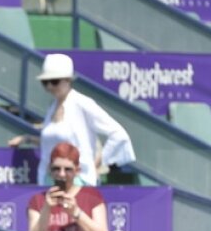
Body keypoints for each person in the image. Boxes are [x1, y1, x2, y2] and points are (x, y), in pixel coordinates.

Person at [8, 53, 135, 187]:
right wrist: (27, 139)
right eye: (45, 82)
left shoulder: (83, 103)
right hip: (48, 180)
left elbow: (119, 134)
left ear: (68, 80)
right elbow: (53, 143)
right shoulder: (52, 106)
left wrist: (96, 163)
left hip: (78, 182)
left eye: (55, 81)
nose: (50, 86)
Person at [27, 142, 109, 231]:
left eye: (68, 169)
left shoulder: (92, 196)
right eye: (56, 168)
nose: (62, 174)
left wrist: (76, 212)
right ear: (49, 169)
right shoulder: (38, 200)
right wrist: (47, 209)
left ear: (78, 170)